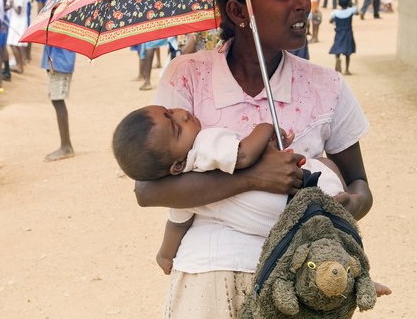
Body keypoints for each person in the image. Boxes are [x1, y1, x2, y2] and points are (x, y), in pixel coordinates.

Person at [134, 0, 390, 318]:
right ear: (239, 12)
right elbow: (149, 190)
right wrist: (254, 177)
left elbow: (360, 184)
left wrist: (347, 207)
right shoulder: (187, 76)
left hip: (302, 281)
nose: (303, 2)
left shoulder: (326, 87)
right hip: (209, 277)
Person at [113, 105, 349, 275]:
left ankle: (352, 267)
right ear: (175, 166)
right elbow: (244, 154)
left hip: (278, 226)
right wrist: (265, 128)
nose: (182, 114)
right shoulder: (206, 142)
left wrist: (165, 255)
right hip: (296, 192)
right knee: (327, 167)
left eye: (170, 111)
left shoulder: (184, 194)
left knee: (318, 249)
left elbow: (177, 224)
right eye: (176, 127)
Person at [41, 0, 76, 162]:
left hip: (61, 58)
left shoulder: (64, 2)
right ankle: (65, 144)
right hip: (53, 57)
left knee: (57, 99)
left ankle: (66, 146)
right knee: (55, 99)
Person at [329, 0, 357, 75]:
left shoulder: (335, 12)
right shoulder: (351, 10)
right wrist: (351, 4)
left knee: (338, 48)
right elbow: (357, 12)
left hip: (339, 33)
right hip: (348, 33)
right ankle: (347, 70)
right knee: (348, 51)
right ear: (348, 2)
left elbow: (330, 21)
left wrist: (335, 22)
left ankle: (338, 61)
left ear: (339, 3)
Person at [6, 0, 27, 74]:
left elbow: (18, 10)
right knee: (13, 44)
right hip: (16, 21)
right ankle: (19, 65)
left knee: (14, 44)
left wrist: (12, 3)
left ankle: (19, 66)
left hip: (18, 22)